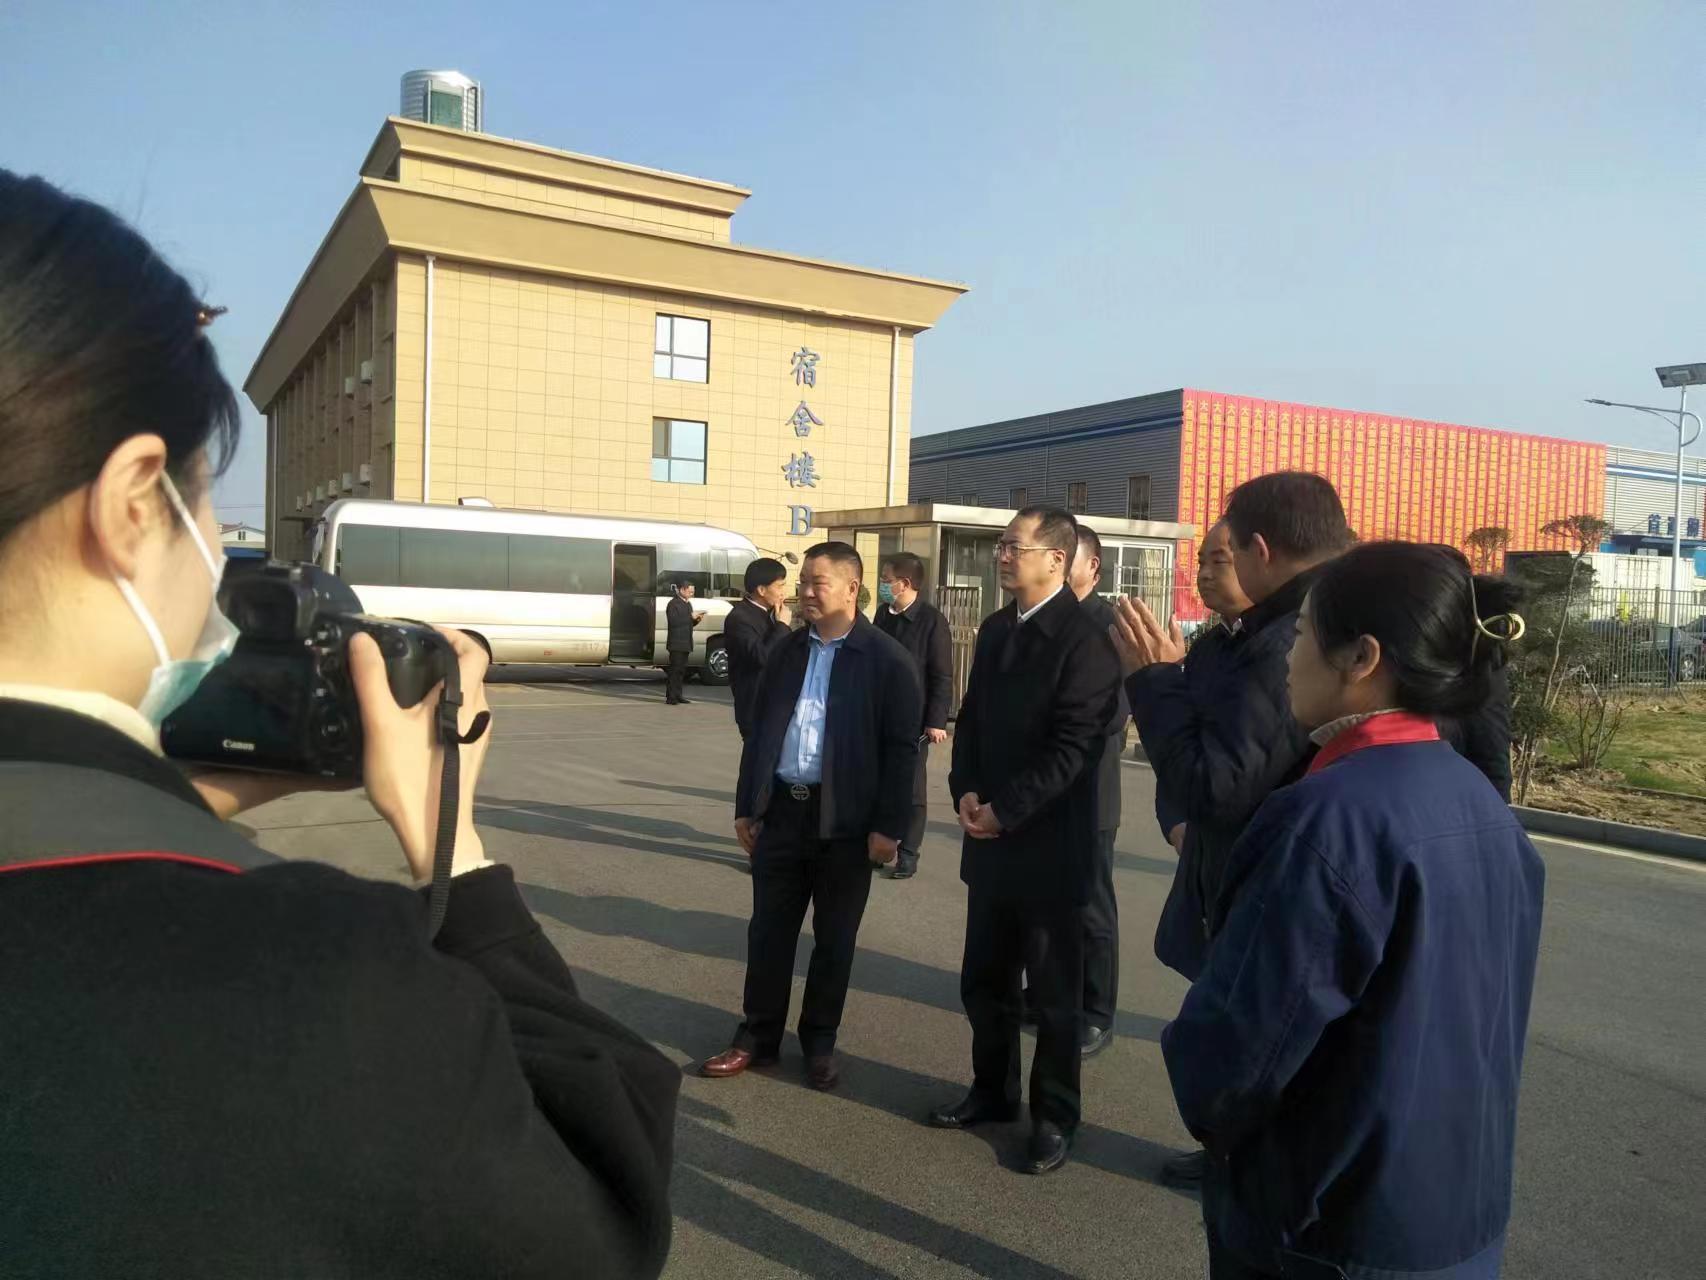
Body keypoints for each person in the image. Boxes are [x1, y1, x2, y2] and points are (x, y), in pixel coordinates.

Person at [0, 172, 678, 1277]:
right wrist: (454, 845)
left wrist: (154, 801)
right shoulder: (307, 971)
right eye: (204, 496)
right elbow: (598, 1217)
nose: (216, 556)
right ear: (132, 503)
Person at [1163, 542, 1544, 1279]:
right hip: (1454, 1214)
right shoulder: (1482, 806)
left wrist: (1198, 1077)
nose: (1288, 655)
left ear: (1361, 657)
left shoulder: (1327, 818)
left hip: (1328, 1229)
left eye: (1304, 633)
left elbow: (1237, 1055)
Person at [1112, 471, 1349, 1190]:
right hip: (1243, 870)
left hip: (1280, 879)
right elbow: (1198, 762)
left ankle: (1252, 1161)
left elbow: (1219, 781)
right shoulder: (1251, 635)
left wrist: (1153, 682)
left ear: (1260, 550)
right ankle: (1239, 1149)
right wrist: (1179, 818)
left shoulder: (1296, 635)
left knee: (1273, 1041)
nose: (1213, 571)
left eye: (1226, 553)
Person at [930, 507, 1120, 1176]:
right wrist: (965, 789)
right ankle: (992, 1092)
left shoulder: (1087, 638)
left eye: (1015, 546)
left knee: (1054, 996)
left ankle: (1055, 1116)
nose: (1003, 556)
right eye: (1002, 546)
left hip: (1051, 847)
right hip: (991, 841)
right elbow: (973, 720)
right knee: (985, 982)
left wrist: (1006, 810)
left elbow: (1075, 747)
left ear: (1057, 559)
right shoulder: (996, 629)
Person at [700, 542, 921, 1091]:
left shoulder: (886, 660)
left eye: (817, 583)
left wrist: (890, 827)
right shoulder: (786, 650)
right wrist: (747, 805)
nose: (804, 593)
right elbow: (761, 732)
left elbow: (902, 753)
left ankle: (820, 1042)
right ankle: (757, 1036)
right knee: (768, 933)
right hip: (783, 813)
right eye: (802, 583)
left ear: (852, 588)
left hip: (846, 823)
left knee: (834, 940)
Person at [1063, 525, 1128, 1057]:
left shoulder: (1109, 627)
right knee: (1051, 900)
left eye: (1068, 561)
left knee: (1092, 905)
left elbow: (1113, 716)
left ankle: (1097, 1012)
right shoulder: (1048, 619)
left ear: (1092, 568)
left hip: (1090, 789)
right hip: (1044, 792)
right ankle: (1053, 992)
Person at [1153, 520, 1256, 854]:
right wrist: (1175, 821)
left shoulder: (1277, 647)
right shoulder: (1205, 649)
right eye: (1200, 562)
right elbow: (1180, 740)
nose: (1205, 574)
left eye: (1219, 561)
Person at [873, 551, 953, 880]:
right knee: (877, 783)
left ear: (905, 583)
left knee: (912, 790)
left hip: (914, 721)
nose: (882, 585)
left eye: (886, 580)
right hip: (879, 714)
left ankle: (908, 853)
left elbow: (942, 674)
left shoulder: (932, 621)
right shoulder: (883, 614)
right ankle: (879, 845)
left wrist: (936, 720)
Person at [724, 557, 792, 740]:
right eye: (780, 586)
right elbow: (762, 657)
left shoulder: (772, 613)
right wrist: (782, 626)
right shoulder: (740, 618)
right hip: (755, 708)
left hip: (776, 705)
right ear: (761, 590)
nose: (783, 592)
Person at [664, 579, 703, 705]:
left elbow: (688, 624)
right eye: (690, 591)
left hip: (686, 642)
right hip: (676, 642)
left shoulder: (688, 604)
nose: (692, 594)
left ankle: (678, 694)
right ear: (682, 590)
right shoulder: (673, 604)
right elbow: (674, 622)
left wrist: (696, 620)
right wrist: (690, 617)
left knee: (681, 671)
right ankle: (671, 697)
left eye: (693, 592)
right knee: (674, 670)